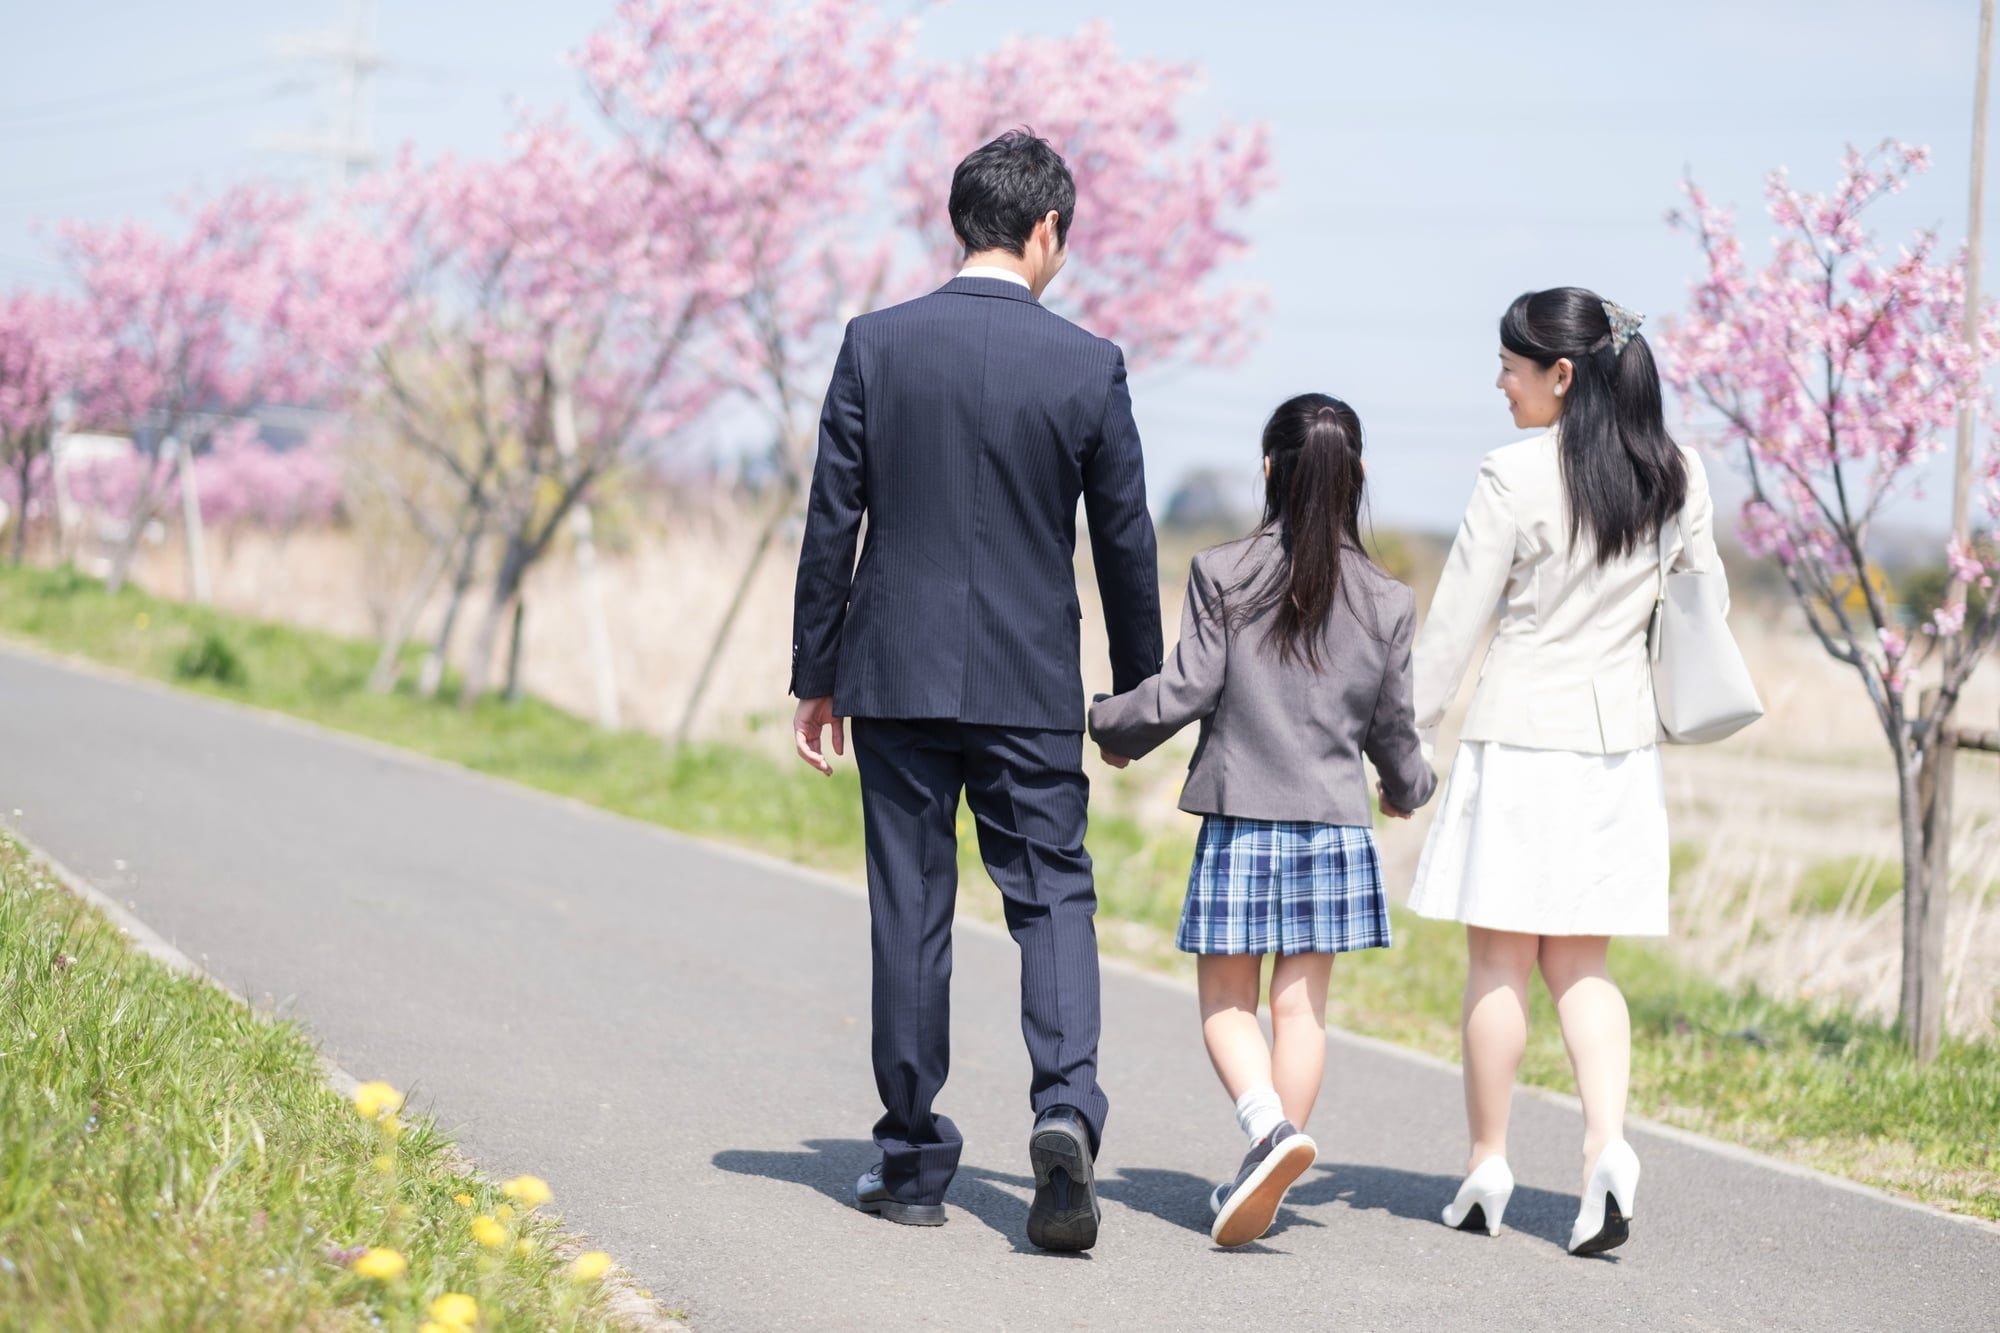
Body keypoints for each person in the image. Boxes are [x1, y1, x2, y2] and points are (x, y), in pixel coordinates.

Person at [788, 129, 1163, 1253]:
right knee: (1050, 892)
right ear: (1044, 230)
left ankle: (908, 1161)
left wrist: (816, 674)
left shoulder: (874, 343)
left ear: (962, 222)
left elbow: (829, 520)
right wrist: (1137, 689)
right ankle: (1063, 1110)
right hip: (1029, 680)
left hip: (892, 671)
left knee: (911, 905)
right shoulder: (1087, 363)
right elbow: (1126, 540)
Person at [1408, 287, 1723, 1256]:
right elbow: (1697, 602)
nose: (1497, 383)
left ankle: (1487, 1162)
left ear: (1559, 374)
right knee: (1581, 965)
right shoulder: (1677, 474)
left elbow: (1452, 628)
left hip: (1516, 740)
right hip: (1615, 748)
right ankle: (1603, 1151)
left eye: (1509, 366)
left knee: (1498, 961)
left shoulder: (1509, 476)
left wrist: (1402, 740)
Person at [1089, 393, 1435, 1248]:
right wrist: (1410, 788)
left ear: (1271, 469)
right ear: (1357, 478)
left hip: (1246, 816)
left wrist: (1106, 723)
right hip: (1334, 826)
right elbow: (1394, 733)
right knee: (1302, 1009)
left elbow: (1185, 691)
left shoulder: (1223, 571)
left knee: (1224, 1003)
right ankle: (1267, 1160)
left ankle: (1266, 1133)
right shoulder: (1388, 599)